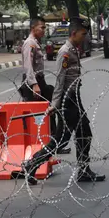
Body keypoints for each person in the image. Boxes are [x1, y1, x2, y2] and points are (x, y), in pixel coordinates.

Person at [22, 17, 106, 186]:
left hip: (74, 97)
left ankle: (83, 170)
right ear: (74, 33)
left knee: (83, 134)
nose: (85, 37)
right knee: (62, 139)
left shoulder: (74, 49)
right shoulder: (65, 52)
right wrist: (55, 104)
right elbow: (60, 80)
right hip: (68, 101)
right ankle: (32, 164)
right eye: (83, 34)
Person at [19, 16, 71, 156]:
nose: (44, 30)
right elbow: (28, 66)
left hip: (40, 82)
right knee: (36, 115)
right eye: (41, 27)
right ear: (33, 28)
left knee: (53, 108)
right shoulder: (29, 43)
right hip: (33, 83)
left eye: (44, 27)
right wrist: (34, 84)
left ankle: (54, 142)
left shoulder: (35, 42)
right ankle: (38, 145)